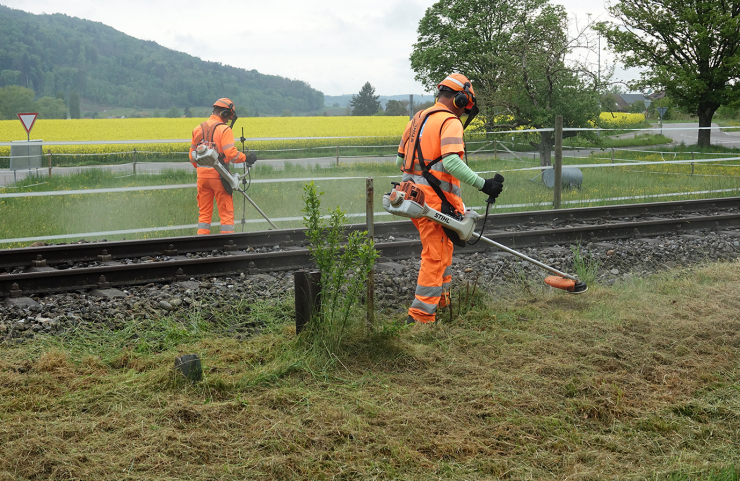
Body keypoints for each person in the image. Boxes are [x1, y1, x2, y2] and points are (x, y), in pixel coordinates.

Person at [396, 74, 504, 325]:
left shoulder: (418, 118)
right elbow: (451, 162)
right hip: (433, 201)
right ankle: (421, 317)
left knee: (443, 249)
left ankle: (441, 302)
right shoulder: (450, 121)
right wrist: (484, 185)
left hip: (411, 196)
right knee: (435, 255)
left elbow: (401, 158)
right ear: (460, 98)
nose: (465, 113)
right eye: (466, 107)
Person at [189, 98, 247, 235]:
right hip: (220, 176)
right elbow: (231, 154)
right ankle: (227, 245)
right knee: (226, 214)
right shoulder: (224, 129)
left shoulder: (197, 129)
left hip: (202, 178)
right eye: (228, 117)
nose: (228, 121)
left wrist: (204, 169)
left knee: (204, 215)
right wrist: (246, 158)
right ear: (225, 114)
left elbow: (192, 157)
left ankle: (202, 245)